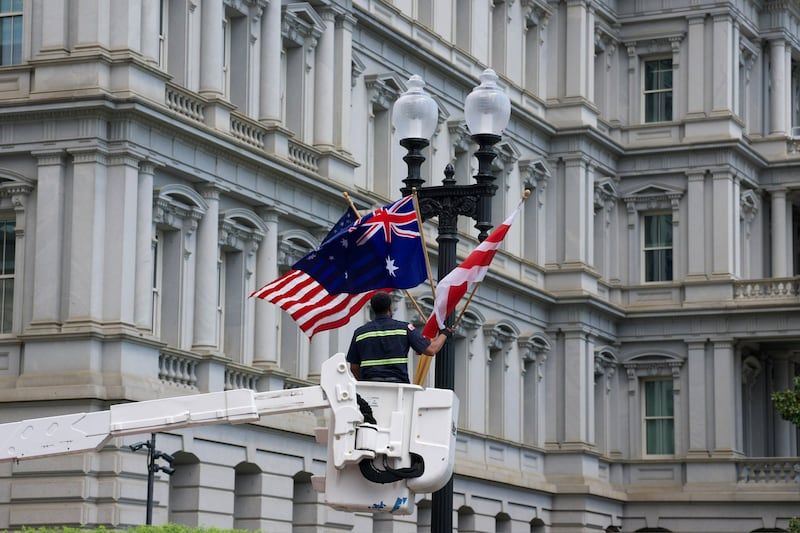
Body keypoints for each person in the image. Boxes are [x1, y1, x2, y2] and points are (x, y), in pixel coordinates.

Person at [346, 292, 451, 383]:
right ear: (389, 308)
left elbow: (354, 367)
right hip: (398, 384)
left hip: (370, 385)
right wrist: (445, 333)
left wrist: (365, 383)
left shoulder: (359, 333)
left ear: (373, 309)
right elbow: (431, 350)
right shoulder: (404, 329)